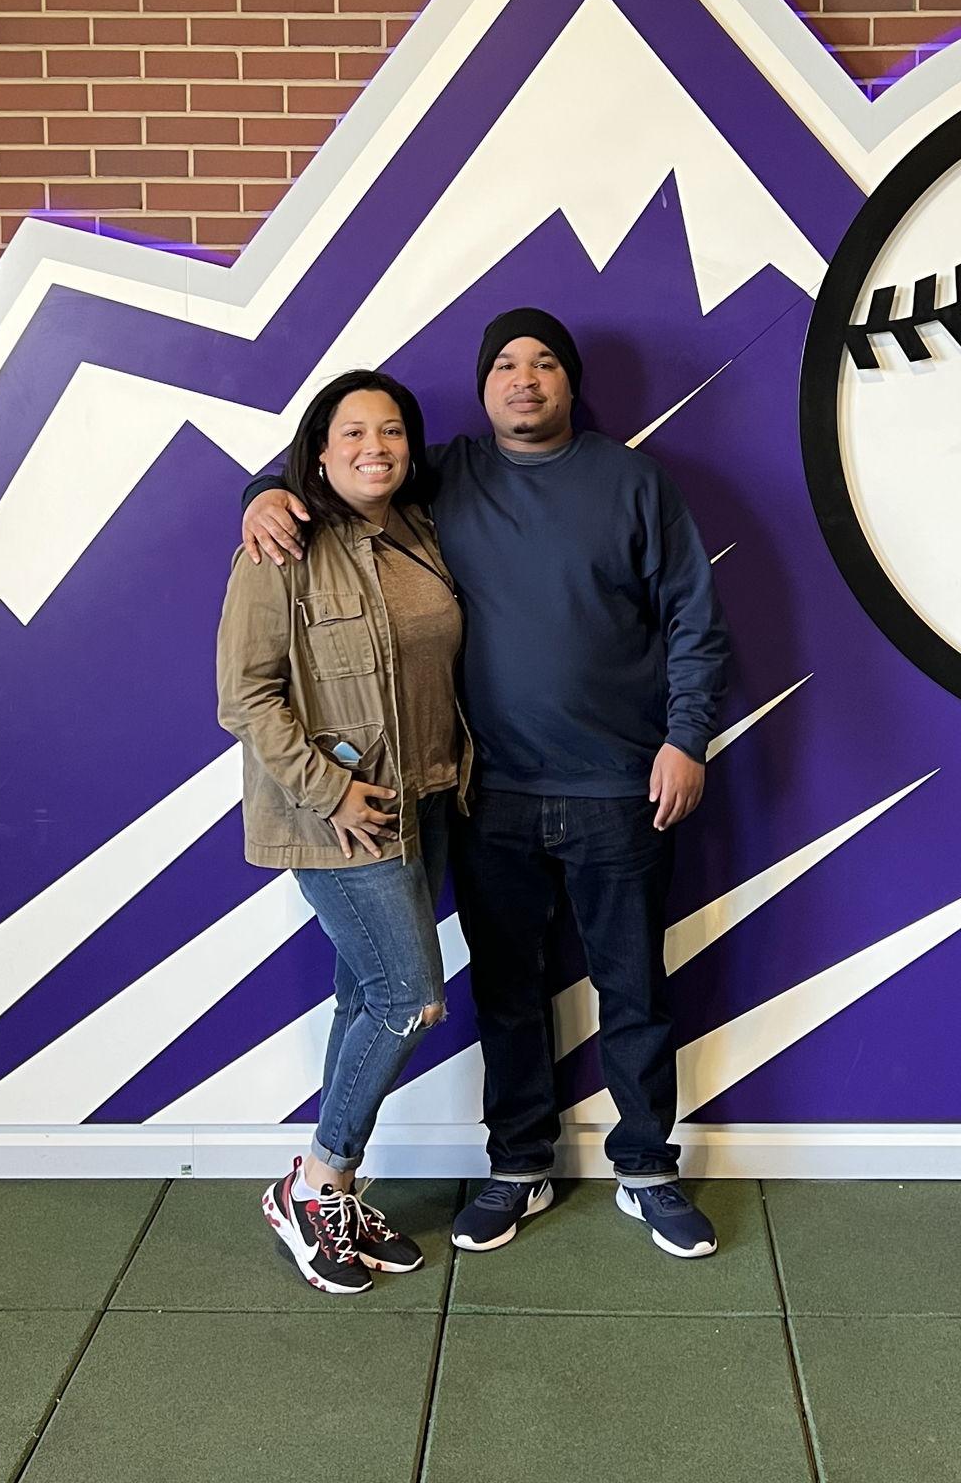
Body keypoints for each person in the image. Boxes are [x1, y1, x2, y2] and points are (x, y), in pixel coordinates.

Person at [243, 308, 730, 1259]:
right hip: (486, 793)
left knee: (633, 986)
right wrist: (262, 492)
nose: (524, 378)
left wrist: (687, 739)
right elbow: (346, 474)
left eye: (543, 362)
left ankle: (646, 1170)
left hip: (621, 786)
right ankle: (519, 1166)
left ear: (570, 381)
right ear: (481, 387)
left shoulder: (634, 481)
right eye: (504, 364)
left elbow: (693, 619)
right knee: (506, 991)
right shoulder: (447, 476)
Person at [217, 367, 472, 1295]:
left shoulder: (422, 530)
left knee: (363, 997)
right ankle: (315, 1184)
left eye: (393, 430)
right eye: (354, 433)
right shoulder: (278, 545)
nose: (377, 448)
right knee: (409, 999)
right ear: (317, 453)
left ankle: (337, 1188)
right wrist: (330, 789)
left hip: (430, 797)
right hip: (338, 817)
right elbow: (243, 696)